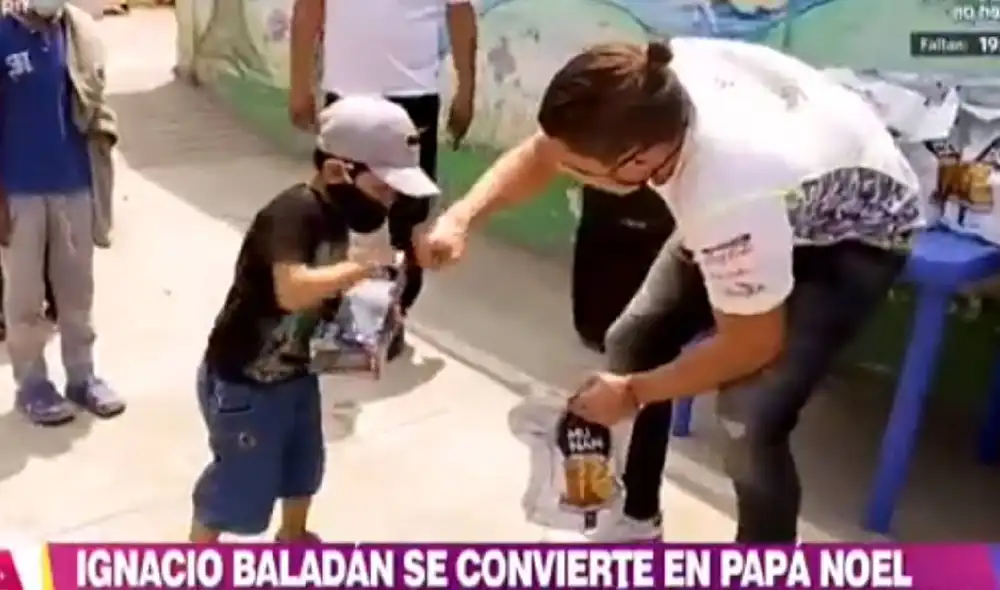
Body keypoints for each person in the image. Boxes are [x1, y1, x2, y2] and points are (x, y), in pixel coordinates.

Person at [416, 38, 922, 542]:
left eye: (579, 172)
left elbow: (752, 342)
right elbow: (542, 152)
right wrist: (461, 218)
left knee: (749, 415)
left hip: (856, 233)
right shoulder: (642, 84)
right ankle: (636, 520)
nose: (562, 173)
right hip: (787, 183)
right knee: (633, 341)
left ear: (639, 161)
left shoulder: (723, 195)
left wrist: (635, 392)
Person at [190, 95, 439, 542]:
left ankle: (294, 537)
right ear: (337, 171)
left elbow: (325, 290)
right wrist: (362, 267)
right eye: (383, 188)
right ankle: (195, 560)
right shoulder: (292, 213)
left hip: (295, 374)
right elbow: (291, 289)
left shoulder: (337, 217)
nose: (390, 200)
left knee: (302, 468)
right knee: (239, 488)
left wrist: (374, 314)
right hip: (246, 381)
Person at [288, 0, 477, 359]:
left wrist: (466, 90)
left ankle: (391, 316)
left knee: (408, 216)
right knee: (337, 208)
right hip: (346, 96)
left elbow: (460, 12)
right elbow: (309, 7)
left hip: (414, 98)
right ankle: (332, 309)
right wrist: (299, 84)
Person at [0, 0, 122, 426]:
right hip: (19, 192)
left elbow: (92, 103)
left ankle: (82, 377)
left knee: (77, 293)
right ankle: (33, 384)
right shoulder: (4, 34)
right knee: (25, 299)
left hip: (74, 185)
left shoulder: (78, 33)